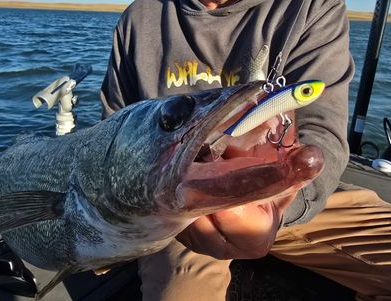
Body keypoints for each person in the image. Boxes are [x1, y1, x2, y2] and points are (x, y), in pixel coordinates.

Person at [100, 0, 391, 300]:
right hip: (178, 214)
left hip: (285, 192)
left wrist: (276, 206)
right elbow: (115, 141)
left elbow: (322, 133)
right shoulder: (140, 18)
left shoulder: (314, 6)